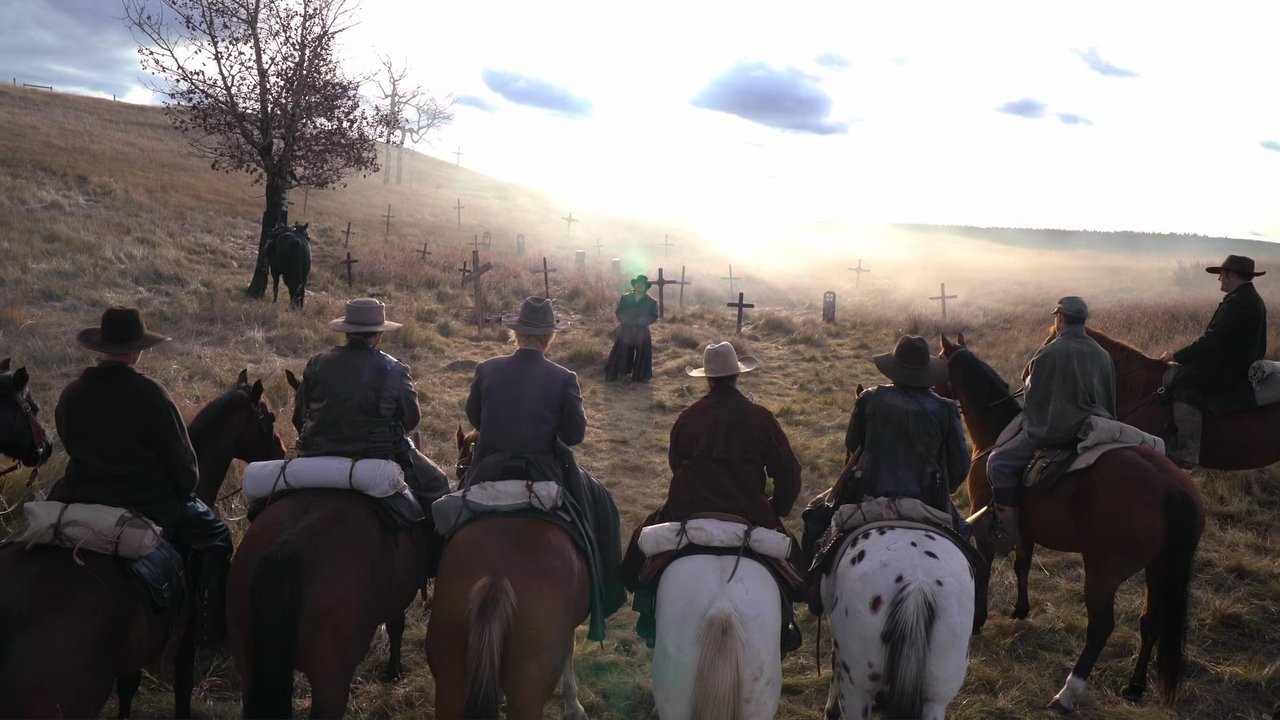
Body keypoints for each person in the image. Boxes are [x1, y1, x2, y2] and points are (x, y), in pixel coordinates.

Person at [50, 306, 233, 645]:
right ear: (136, 350)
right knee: (217, 536)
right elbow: (184, 464)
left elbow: (69, 440)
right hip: (147, 501)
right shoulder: (150, 393)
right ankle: (210, 630)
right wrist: (185, 488)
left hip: (78, 493)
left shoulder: (71, 392)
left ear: (102, 347)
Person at [621, 341, 804, 652]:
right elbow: (789, 472)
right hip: (750, 512)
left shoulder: (688, 417)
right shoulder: (760, 417)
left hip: (688, 509)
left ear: (707, 378)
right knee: (796, 569)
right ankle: (787, 622)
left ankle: (647, 613)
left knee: (638, 553)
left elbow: (676, 465)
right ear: (737, 375)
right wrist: (778, 508)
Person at [464, 296, 626, 638]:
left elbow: (475, 418)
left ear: (516, 333)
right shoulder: (564, 377)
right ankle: (606, 594)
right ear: (549, 336)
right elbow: (575, 435)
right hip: (547, 473)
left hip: (488, 470)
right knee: (602, 503)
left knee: (447, 511)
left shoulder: (487, 368)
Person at [295, 298, 451, 566]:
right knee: (437, 484)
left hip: (316, 455)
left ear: (346, 331)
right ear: (378, 334)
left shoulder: (316, 363)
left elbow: (301, 414)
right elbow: (411, 419)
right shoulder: (394, 369)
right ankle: (431, 564)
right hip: (379, 455)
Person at [984, 296, 1115, 553]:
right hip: (1095, 428)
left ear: (1060, 319)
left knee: (997, 463)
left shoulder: (1049, 352)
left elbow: (1033, 400)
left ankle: (1007, 533)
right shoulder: (1103, 355)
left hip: (1056, 433)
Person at [841, 335, 969, 522]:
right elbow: (959, 466)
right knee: (963, 533)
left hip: (868, 497)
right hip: (927, 502)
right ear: (927, 371)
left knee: (817, 517)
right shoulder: (946, 409)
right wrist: (942, 490)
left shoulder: (869, 399)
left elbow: (853, 444)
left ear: (894, 368)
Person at [1158, 255, 1267, 467]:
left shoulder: (1240, 302)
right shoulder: (1248, 298)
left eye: (1221, 275)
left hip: (1230, 370)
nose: (1219, 279)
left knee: (1183, 388)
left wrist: (1176, 356)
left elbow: (1212, 340)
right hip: (1234, 363)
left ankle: (1187, 452)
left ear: (1232, 275)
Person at [603, 274, 658, 382]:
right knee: (622, 350)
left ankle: (640, 376)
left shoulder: (651, 302)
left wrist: (640, 322)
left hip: (642, 331)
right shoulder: (626, 298)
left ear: (646, 287)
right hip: (626, 329)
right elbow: (619, 311)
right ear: (635, 285)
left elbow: (653, 316)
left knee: (642, 353)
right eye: (638, 284)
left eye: (642, 284)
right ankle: (618, 372)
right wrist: (626, 321)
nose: (640, 286)